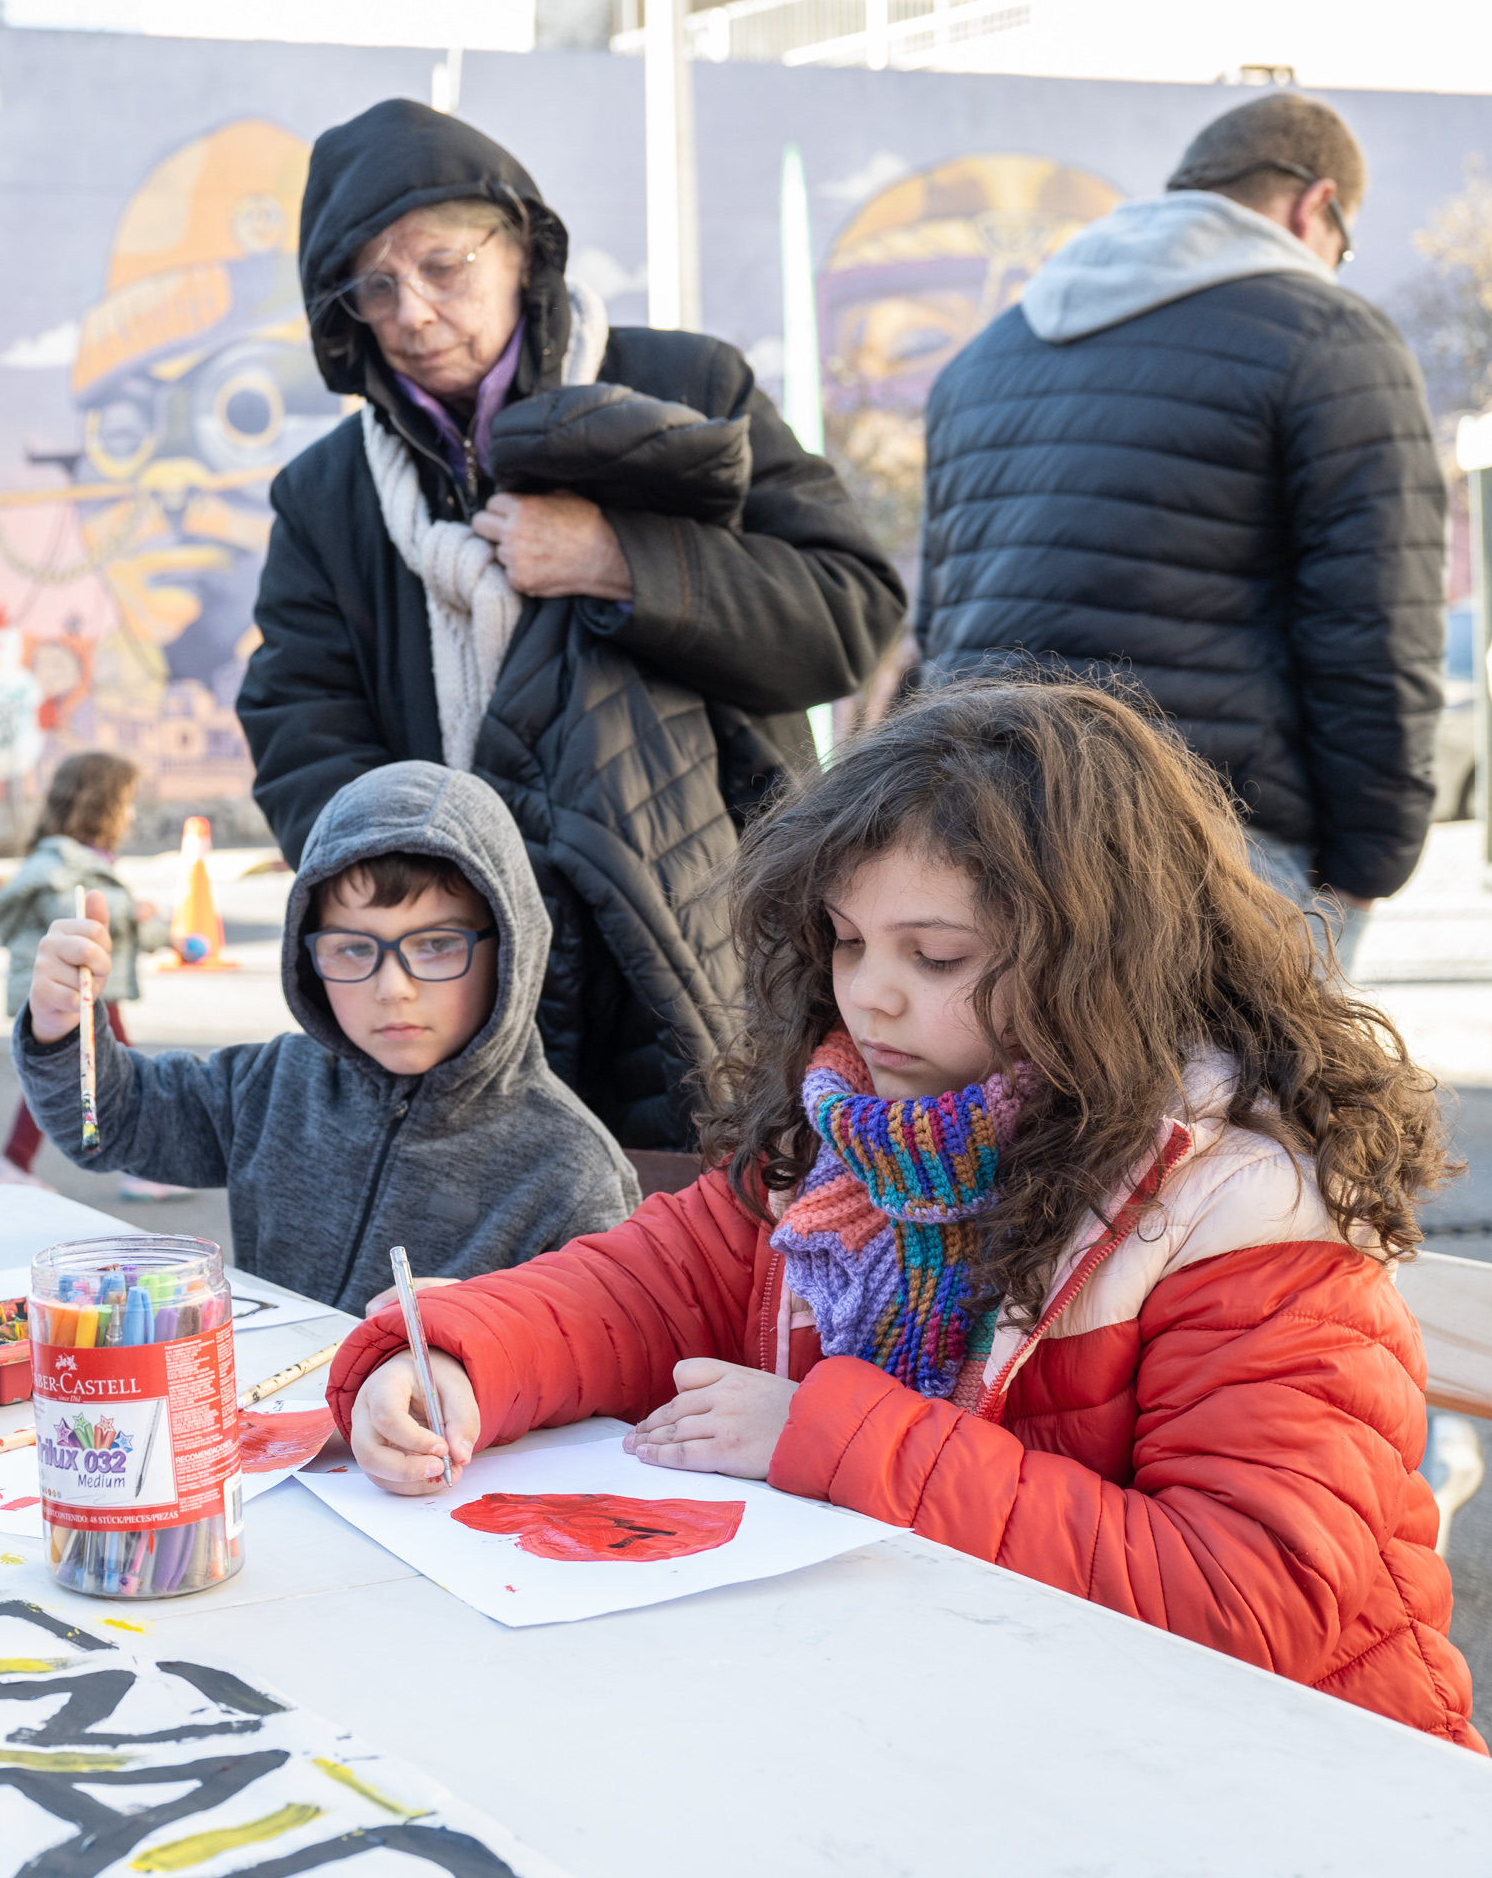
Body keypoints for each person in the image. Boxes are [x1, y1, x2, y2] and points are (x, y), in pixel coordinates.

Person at [333, 678, 1479, 1752]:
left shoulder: (1239, 1212)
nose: (869, 992)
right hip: (986, 1717)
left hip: (1287, 1773)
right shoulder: (852, 1135)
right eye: (846, 939)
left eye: (935, 955)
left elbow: (1247, 1597)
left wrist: (825, 1435)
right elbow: (648, 1284)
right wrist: (457, 1358)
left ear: (1104, 964)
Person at [237, 99, 903, 1154]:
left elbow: (848, 612)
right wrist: (428, 898)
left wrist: (618, 559)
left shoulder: (689, 388)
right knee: (504, 1293)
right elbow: (300, 732)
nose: (411, 310)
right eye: (375, 285)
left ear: (520, 249)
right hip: (472, 984)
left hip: (711, 954)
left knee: (708, 1277)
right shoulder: (326, 497)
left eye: (443, 266)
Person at [920, 93, 1445, 946]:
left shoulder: (988, 353)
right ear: (1317, 205)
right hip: (1211, 848)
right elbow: (1376, 629)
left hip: (983, 833)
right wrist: (1371, 863)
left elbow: (937, 616)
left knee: (1027, 1084)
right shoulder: (1331, 338)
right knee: (1228, 1085)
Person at [15, 759, 636, 1311]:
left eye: (438, 945)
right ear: (307, 955)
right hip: (269, 1431)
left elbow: (612, 1359)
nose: (393, 986)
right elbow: (106, 1125)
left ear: (510, 949)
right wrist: (62, 1031)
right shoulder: (271, 1086)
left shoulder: (569, 1169)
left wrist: (499, 1335)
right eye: (352, 948)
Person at [0, 751, 183, 1200]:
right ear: (100, 803)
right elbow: (72, 911)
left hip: (87, 989)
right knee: (116, 1078)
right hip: (72, 991)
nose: (132, 814)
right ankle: (140, 1166)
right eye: (126, 802)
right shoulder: (60, 860)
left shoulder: (87, 858)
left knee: (76, 1077)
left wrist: (159, 931)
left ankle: (15, 1162)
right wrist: (136, 910)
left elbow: (117, 926)